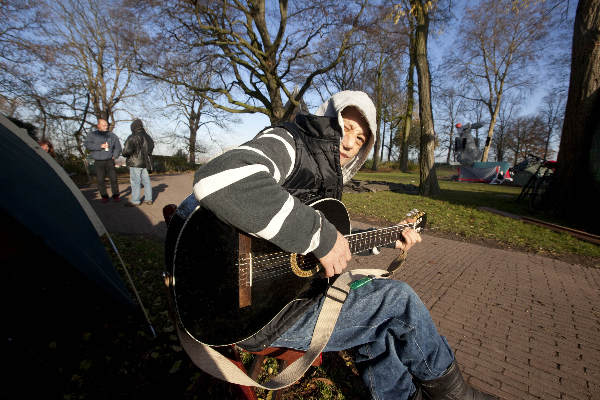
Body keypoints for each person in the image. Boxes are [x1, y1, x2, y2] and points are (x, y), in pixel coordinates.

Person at [173, 91, 497, 400]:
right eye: (348, 127)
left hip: (283, 300)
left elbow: (326, 234)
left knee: (380, 325)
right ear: (331, 117)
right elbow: (221, 178)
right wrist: (321, 237)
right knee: (398, 300)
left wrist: (388, 235)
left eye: (360, 139)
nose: (350, 143)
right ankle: (456, 394)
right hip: (255, 316)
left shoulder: (326, 172)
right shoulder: (291, 143)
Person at [84, 116, 122, 203]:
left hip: (109, 160)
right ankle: (104, 196)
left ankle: (116, 195)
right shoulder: (93, 135)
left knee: (113, 179)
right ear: (99, 126)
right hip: (98, 161)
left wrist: (115, 155)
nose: (106, 126)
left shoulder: (112, 135)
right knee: (100, 180)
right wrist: (100, 146)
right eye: (104, 125)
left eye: (107, 125)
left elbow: (118, 147)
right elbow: (87, 144)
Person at [122, 119, 154, 206]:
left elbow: (126, 151)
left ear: (133, 127)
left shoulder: (133, 136)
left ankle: (135, 201)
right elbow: (151, 147)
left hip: (135, 163)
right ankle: (149, 199)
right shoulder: (148, 136)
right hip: (145, 163)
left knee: (135, 182)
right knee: (146, 181)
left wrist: (125, 153)